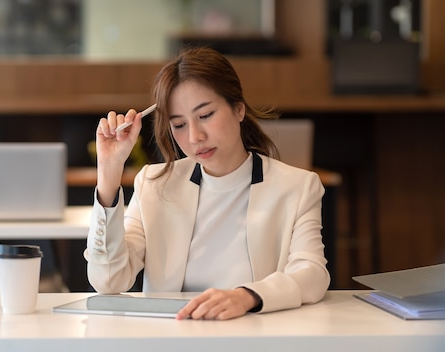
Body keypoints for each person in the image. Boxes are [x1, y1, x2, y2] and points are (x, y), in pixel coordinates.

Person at [85, 47, 330, 320]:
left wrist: (246, 296)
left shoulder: (297, 186)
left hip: (255, 336)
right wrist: (109, 170)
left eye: (205, 115)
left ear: (238, 109)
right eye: (179, 125)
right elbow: (108, 280)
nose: (195, 136)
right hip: (173, 338)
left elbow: (312, 273)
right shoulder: (154, 185)